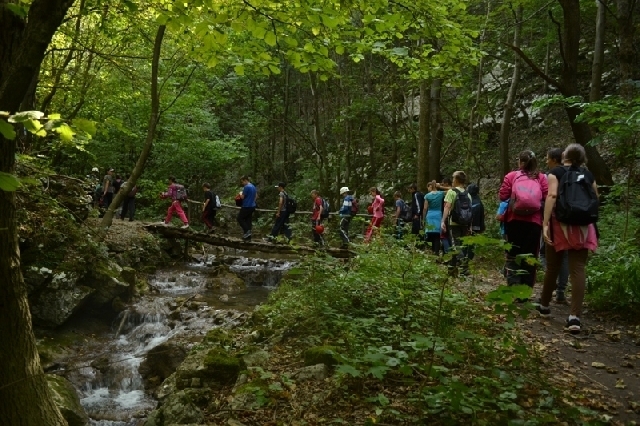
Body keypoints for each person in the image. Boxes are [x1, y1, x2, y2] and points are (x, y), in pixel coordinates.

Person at [536, 143, 599, 334]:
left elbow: (552, 195)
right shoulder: (588, 175)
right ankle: (574, 317)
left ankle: (545, 305)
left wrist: (545, 223)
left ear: (565, 156)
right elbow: (595, 197)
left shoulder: (556, 173)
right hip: (582, 227)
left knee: (553, 266)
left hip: (560, 225)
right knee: (578, 269)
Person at [499, 150, 548, 287]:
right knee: (530, 255)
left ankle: (513, 285)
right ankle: (525, 290)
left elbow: (503, 196)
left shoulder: (512, 176)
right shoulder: (541, 177)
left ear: (520, 162)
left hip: (513, 221)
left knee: (513, 253)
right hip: (534, 222)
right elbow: (546, 196)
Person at [540, 147, 569, 303]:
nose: (546, 161)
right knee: (564, 257)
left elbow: (549, 196)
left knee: (545, 254)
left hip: (553, 220)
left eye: (547, 158)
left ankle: (546, 297)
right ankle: (561, 292)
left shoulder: (550, 176)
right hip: (571, 220)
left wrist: (545, 222)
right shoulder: (574, 174)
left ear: (554, 159)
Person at [441, 171, 472, 276]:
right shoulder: (468, 194)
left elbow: (447, 207)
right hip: (465, 223)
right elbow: (470, 211)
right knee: (461, 246)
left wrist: (443, 221)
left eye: (453, 178)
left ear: (457, 180)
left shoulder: (452, 192)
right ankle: (452, 269)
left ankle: (464, 267)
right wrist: (470, 225)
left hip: (453, 223)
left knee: (455, 246)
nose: (452, 180)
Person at [423, 180, 445, 255]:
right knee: (437, 235)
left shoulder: (427, 196)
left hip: (430, 215)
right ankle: (436, 252)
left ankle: (432, 251)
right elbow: (452, 189)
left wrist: (423, 218)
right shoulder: (440, 194)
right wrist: (441, 186)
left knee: (430, 234)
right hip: (438, 215)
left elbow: (425, 208)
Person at [467, 183, 485, 261]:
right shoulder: (479, 201)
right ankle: (468, 258)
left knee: (467, 242)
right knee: (472, 243)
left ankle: (466, 258)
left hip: (469, 225)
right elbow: (482, 215)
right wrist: (482, 226)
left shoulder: (469, 200)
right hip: (477, 226)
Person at [237, 176, 257, 241]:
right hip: (252, 206)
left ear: (245, 180)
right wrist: (252, 201)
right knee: (248, 220)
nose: (242, 183)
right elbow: (256, 196)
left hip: (246, 206)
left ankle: (247, 231)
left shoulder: (246, 187)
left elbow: (242, 197)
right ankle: (248, 238)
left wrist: (240, 193)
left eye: (242, 182)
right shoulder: (253, 186)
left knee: (240, 218)